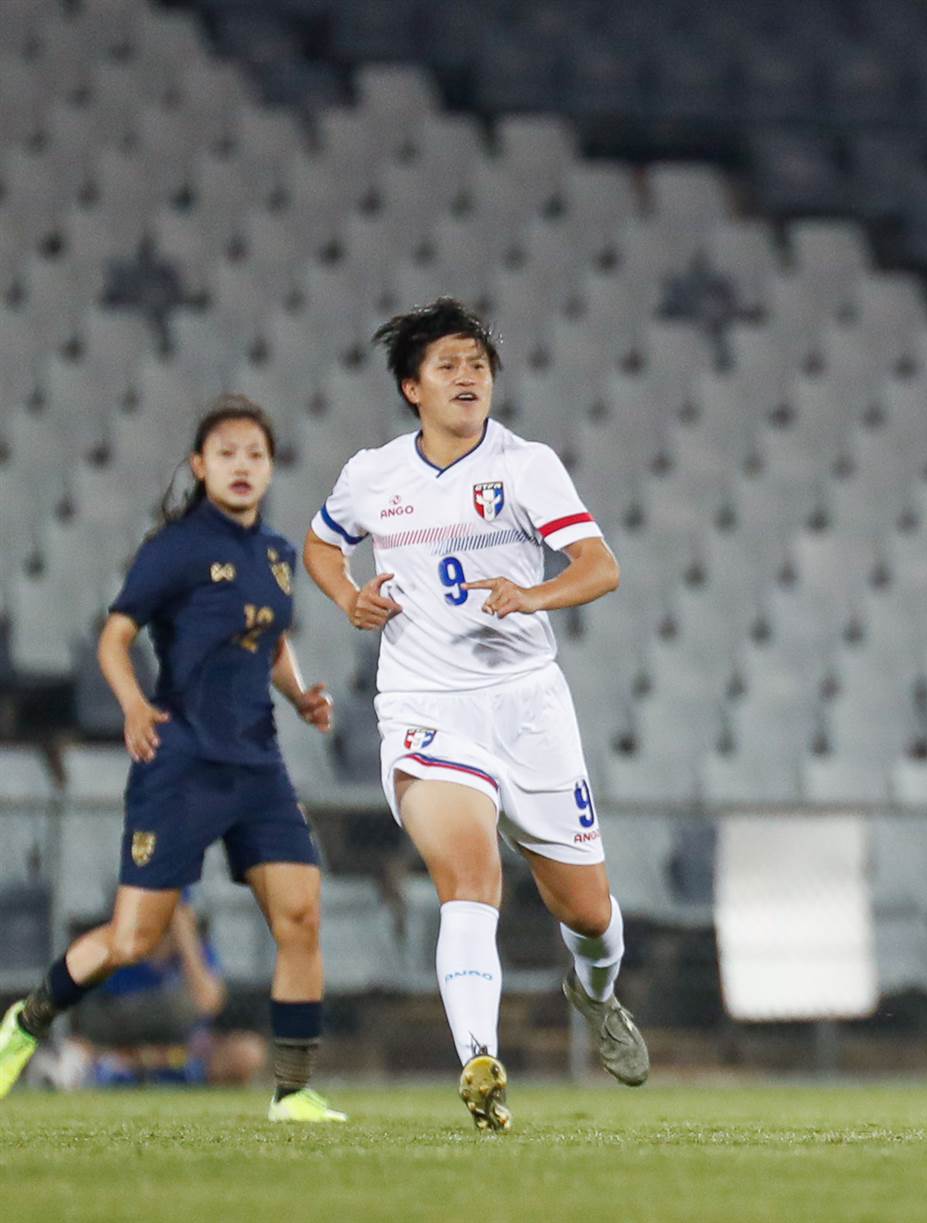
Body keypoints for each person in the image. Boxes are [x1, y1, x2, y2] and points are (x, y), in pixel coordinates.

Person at [303, 297, 647, 1132]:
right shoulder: (372, 475)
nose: (468, 376)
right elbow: (319, 540)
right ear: (411, 386)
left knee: (588, 914)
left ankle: (593, 992)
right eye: (449, 364)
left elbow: (601, 567)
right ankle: (479, 1064)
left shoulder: (527, 467)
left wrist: (533, 592)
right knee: (471, 876)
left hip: (528, 706)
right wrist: (349, 596)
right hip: (425, 706)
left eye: (479, 364)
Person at [0, 398, 346, 1122]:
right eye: (227, 453)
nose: (242, 465)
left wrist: (300, 693)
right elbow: (113, 637)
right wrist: (131, 703)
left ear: (270, 465)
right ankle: (25, 1022)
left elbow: (270, 638)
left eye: (255, 452)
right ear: (200, 465)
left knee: (302, 913)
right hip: (180, 761)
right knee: (133, 939)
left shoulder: (278, 556)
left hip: (257, 765)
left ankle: (292, 1092)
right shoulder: (175, 549)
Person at [63, 904, 269, 1090]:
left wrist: (187, 942)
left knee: (248, 1052)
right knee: (73, 1058)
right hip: (119, 1055)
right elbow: (96, 1023)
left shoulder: (194, 952)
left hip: (185, 1058)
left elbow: (210, 1002)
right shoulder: (119, 952)